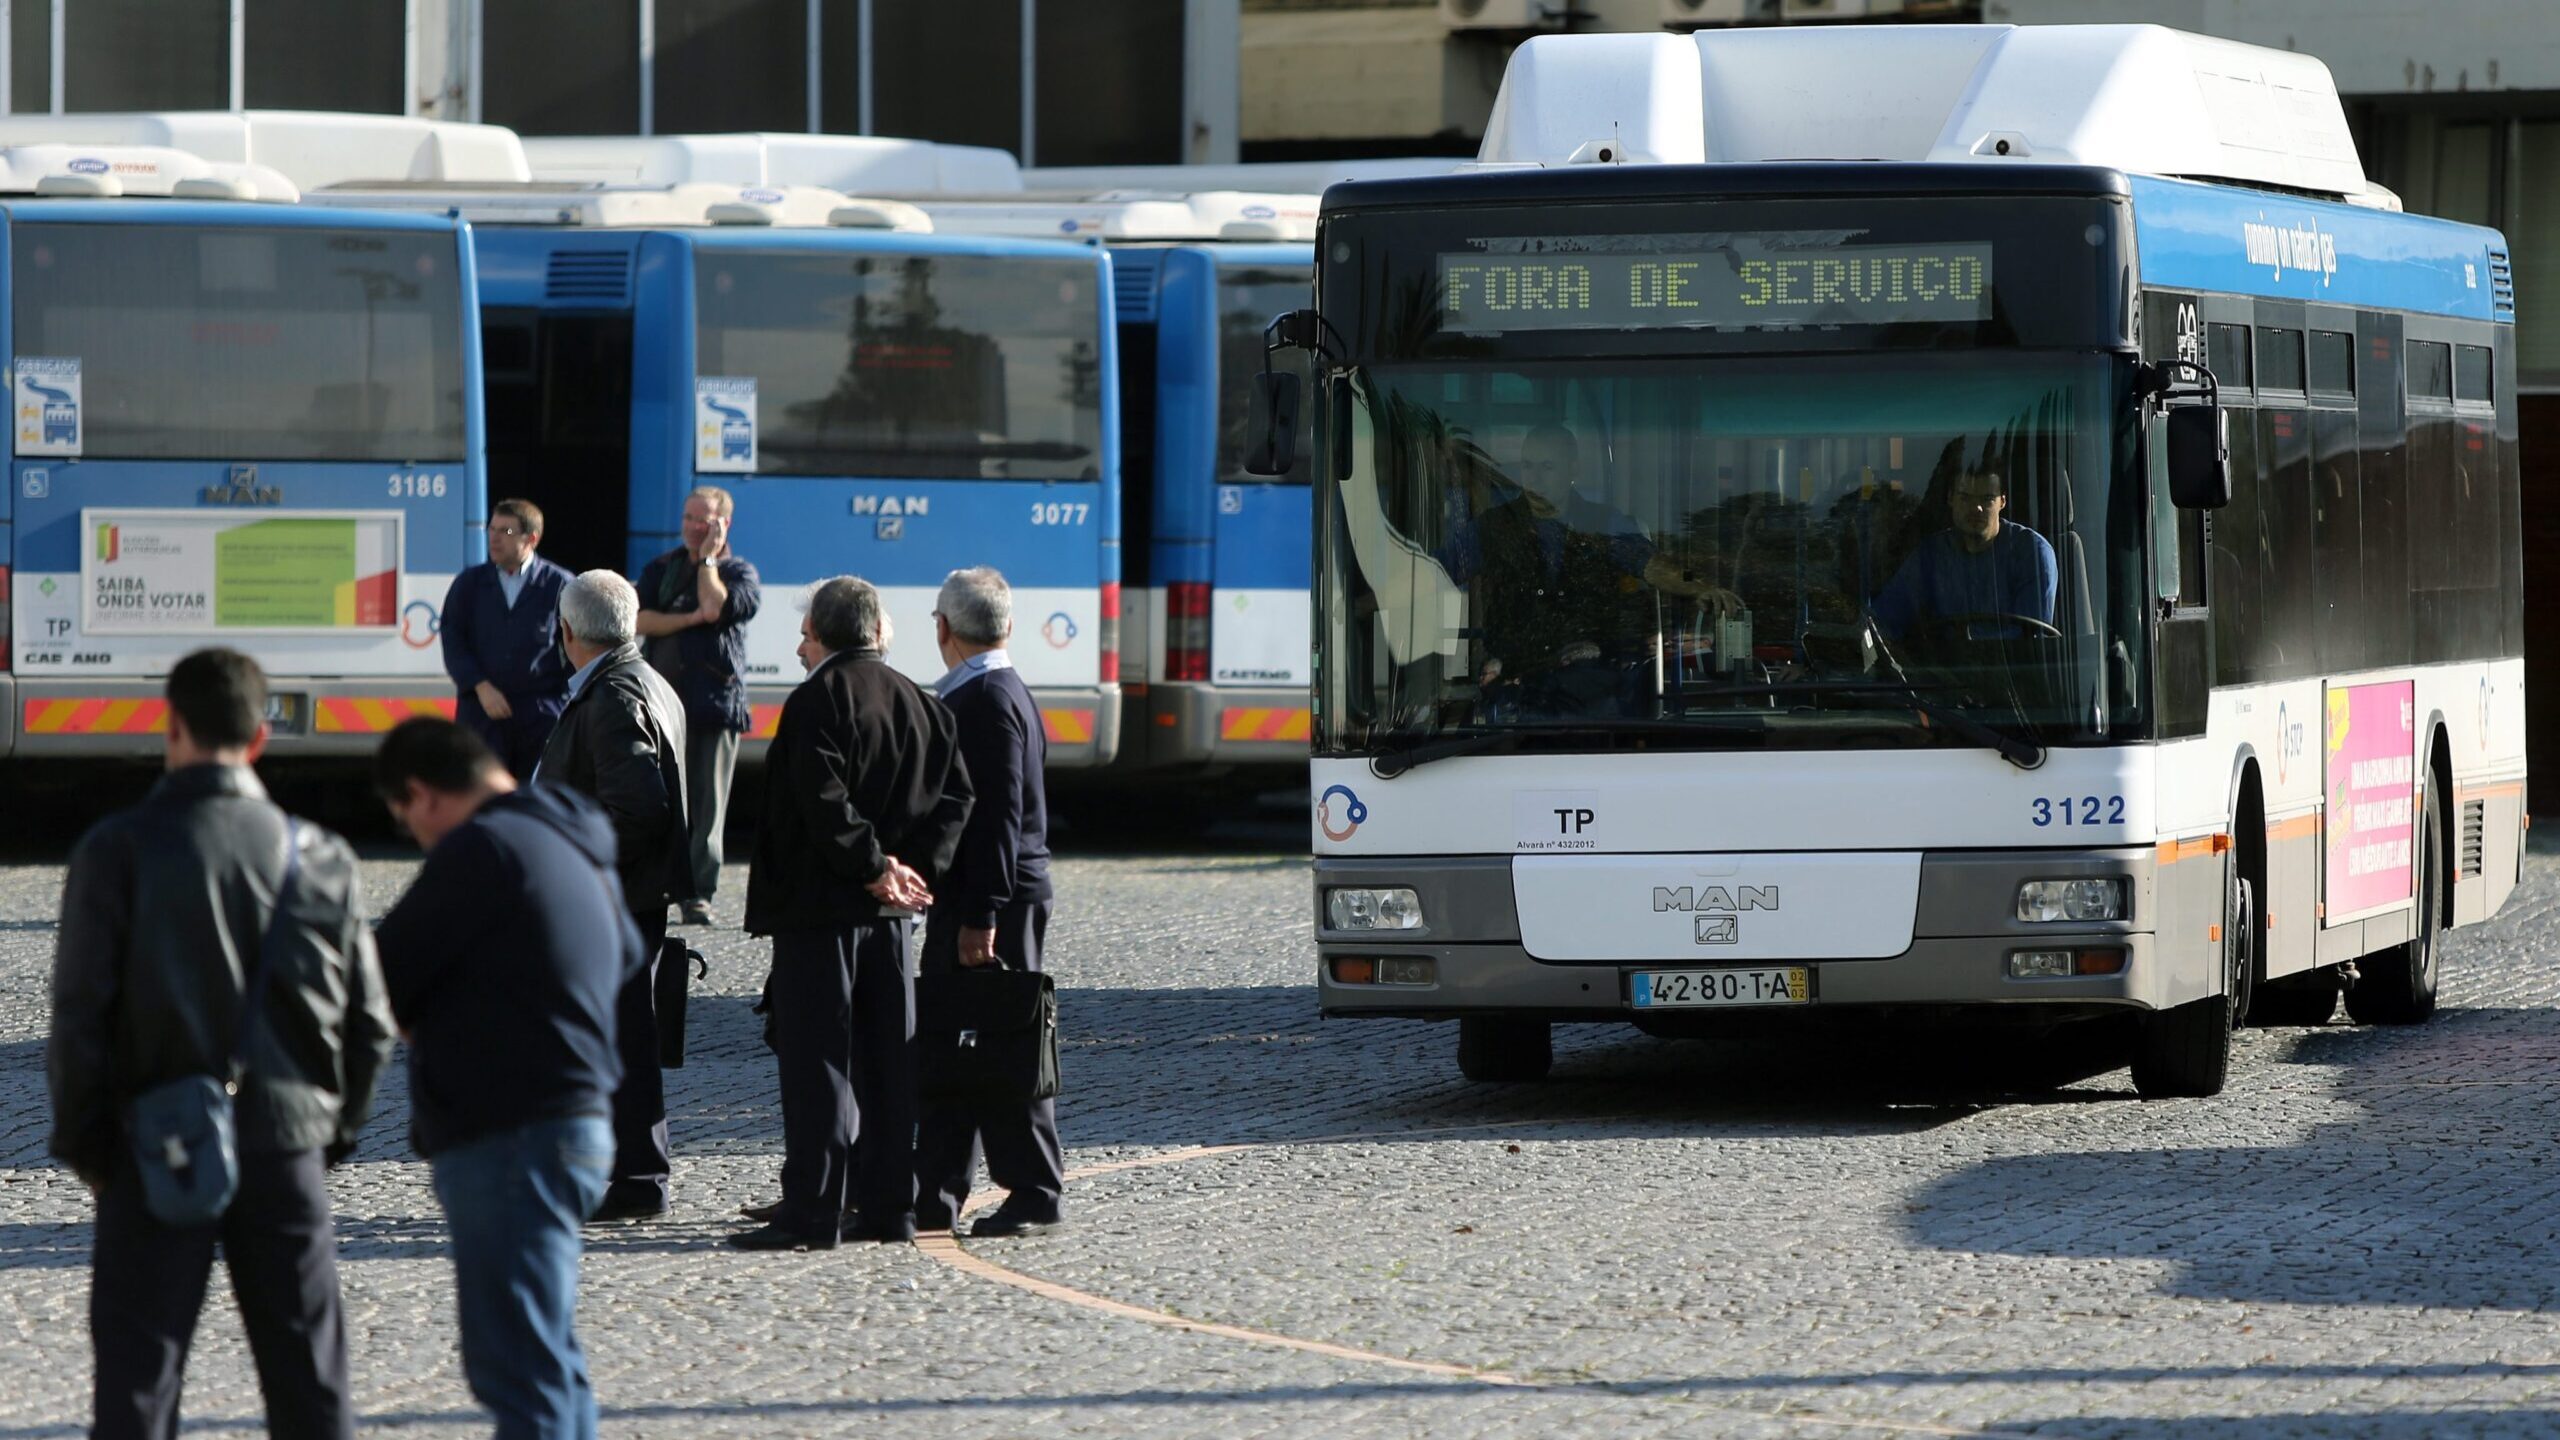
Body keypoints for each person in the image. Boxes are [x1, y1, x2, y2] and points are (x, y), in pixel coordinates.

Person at [49, 647, 394, 1440]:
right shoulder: (322, 856)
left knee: (140, 1383)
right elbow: (369, 1023)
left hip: (155, 1142)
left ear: (169, 727)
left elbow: (79, 1021)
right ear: (260, 738)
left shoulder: (117, 849)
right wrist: (327, 1136)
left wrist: (93, 1153)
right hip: (287, 1142)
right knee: (310, 1382)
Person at [373, 718, 643, 1440]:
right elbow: (623, 955)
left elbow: (379, 975)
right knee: (547, 1355)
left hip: (509, 1132)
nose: (418, 838)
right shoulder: (574, 834)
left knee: (517, 1366)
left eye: (407, 823)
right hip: (579, 1121)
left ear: (421, 795)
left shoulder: (482, 849)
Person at [733, 576, 972, 1251]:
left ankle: (812, 1211)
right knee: (888, 1063)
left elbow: (820, 798)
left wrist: (873, 868)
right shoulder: (924, 703)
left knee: (819, 1065)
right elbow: (958, 797)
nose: (799, 646)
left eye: (804, 632)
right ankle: (890, 1207)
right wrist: (912, 869)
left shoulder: (816, 701)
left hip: (821, 912)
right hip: (893, 920)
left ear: (826, 632)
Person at [912, 567, 1064, 1239]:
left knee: (1003, 1046)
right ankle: (936, 1190)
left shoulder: (987, 698)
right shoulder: (994, 690)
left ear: (943, 628)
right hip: (985, 892)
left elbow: (1000, 816)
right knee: (954, 1047)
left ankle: (1034, 1189)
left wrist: (983, 914)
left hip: (992, 899)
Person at [536, 570, 691, 1221]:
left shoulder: (613, 695)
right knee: (619, 1038)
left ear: (567, 631)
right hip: (625, 896)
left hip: (614, 901)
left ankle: (636, 1178)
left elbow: (636, 811)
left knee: (623, 1041)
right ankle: (623, 1171)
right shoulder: (640, 680)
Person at [636, 486, 761, 926]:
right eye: (689, 518)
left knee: (707, 808)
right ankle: (658, 887)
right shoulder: (661, 569)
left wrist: (708, 561)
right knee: (663, 801)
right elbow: (640, 620)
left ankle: (699, 895)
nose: (694, 527)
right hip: (662, 704)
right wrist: (687, 620)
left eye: (704, 520)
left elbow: (716, 606)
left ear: (725, 523)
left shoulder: (740, 573)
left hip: (715, 704)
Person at [440, 499, 573, 780]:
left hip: (540, 716)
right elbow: (453, 640)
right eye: (492, 529)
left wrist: (562, 704)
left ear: (531, 539)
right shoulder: (470, 584)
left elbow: (575, 647)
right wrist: (480, 685)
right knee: (479, 795)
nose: (495, 538)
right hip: (482, 712)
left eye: (506, 531)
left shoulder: (560, 585)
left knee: (536, 798)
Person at [1870, 469, 2059, 640]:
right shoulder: (1931, 554)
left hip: (2013, 674)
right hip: (1941, 674)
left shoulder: (2033, 554)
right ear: (1950, 499)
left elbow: (2030, 640)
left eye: (1986, 499)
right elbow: (1886, 618)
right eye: (1965, 497)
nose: (1976, 508)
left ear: (2002, 501)